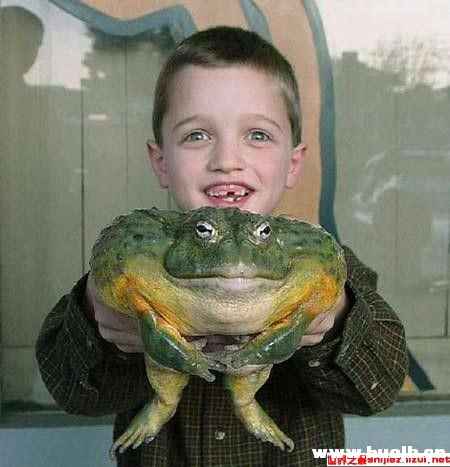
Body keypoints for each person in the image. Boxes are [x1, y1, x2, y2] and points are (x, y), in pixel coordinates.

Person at [36, 26, 408, 466]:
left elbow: (377, 390)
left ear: (293, 163)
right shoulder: (135, 263)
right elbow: (72, 393)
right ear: (161, 162)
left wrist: (336, 319)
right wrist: (100, 318)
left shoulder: (325, 265)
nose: (227, 160)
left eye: (258, 135)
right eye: (197, 135)